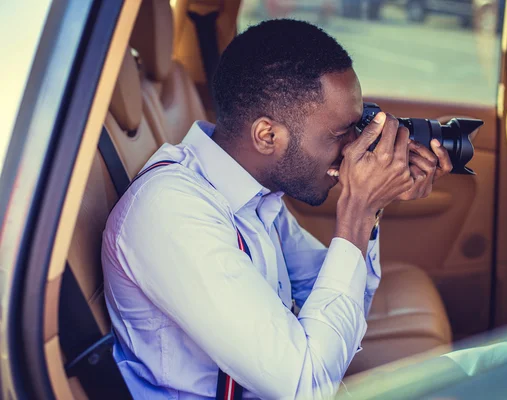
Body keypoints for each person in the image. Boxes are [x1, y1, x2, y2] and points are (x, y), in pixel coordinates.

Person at [101, 18, 453, 399]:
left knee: (491, 371)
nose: (355, 150)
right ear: (267, 136)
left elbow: (343, 298)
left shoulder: (252, 192)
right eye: (341, 134)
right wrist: (358, 209)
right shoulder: (172, 213)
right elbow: (307, 385)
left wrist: (373, 205)